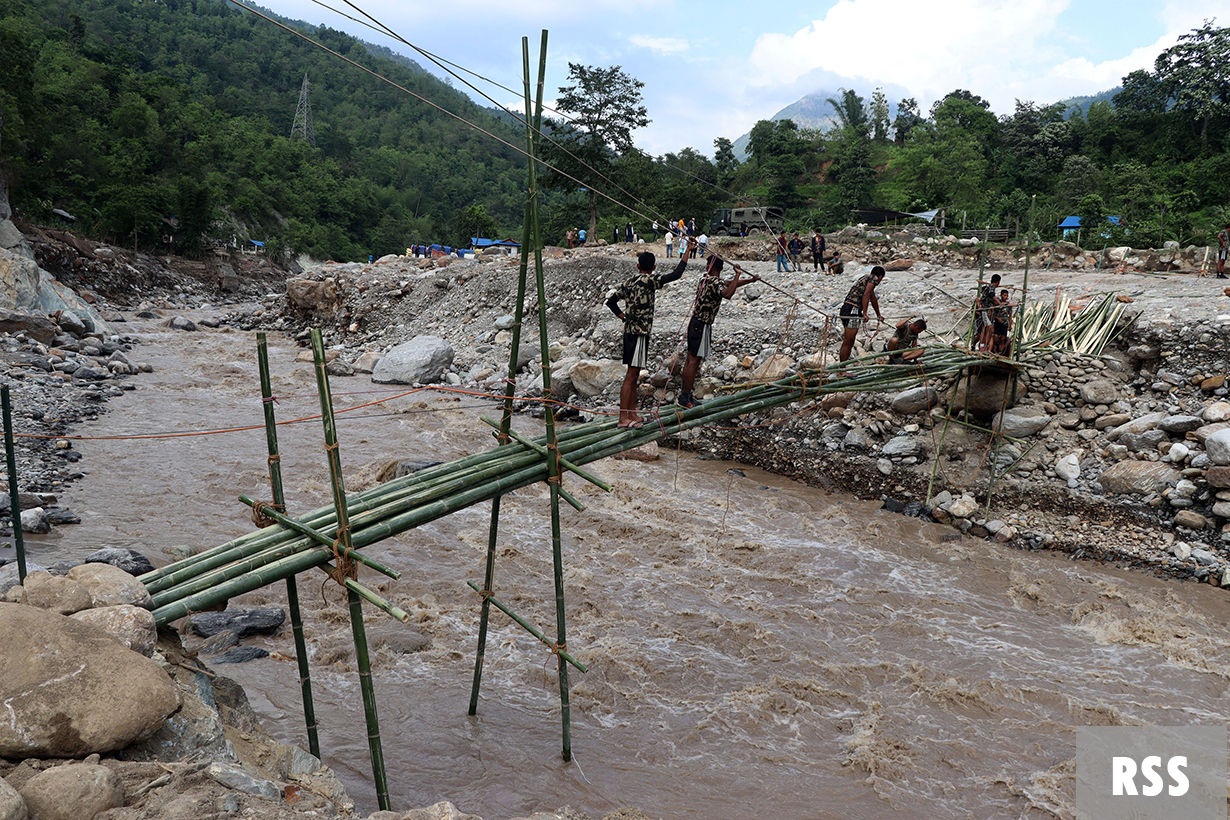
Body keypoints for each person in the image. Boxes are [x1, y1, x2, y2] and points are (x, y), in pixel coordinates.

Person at [606, 239, 696, 427]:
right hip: (639, 333)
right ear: (654, 267)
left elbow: (610, 302)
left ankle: (632, 414)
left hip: (631, 332)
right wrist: (688, 250)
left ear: (638, 266)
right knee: (631, 376)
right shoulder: (650, 281)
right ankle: (623, 418)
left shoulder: (629, 282)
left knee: (635, 373)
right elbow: (676, 274)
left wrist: (624, 317)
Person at [679, 255, 760, 408]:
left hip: (695, 323)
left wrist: (750, 280)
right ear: (721, 268)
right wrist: (737, 274)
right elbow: (728, 293)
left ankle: (685, 395)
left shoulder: (705, 279)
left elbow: (728, 284)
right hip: (701, 324)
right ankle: (685, 398)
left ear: (709, 266)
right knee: (694, 361)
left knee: (690, 359)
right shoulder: (715, 282)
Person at [839, 265, 886, 362]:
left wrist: (878, 315)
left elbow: (873, 298)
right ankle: (841, 370)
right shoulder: (873, 278)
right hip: (853, 309)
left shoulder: (866, 279)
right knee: (848, 341)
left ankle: (842, 368)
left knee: (850, 341)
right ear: (880, 277)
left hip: (847, 308)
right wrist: (864, 313)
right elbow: (867, 294)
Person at [976, 274, 1001, 350]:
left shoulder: (989, 287)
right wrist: (1000, 303)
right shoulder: (991, 287)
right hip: (985, 311)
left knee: (986, 329)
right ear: (998, 282)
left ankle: (983, 347)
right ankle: (984, 347)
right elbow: (992, 295)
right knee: (990, 329)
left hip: (987, 311)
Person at [992, 288, 1012, 355]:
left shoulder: (1008, 305)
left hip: (1005, 323)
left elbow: (1010, 315)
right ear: (1001, 295)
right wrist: (997, 318)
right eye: (1004, 295)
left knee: (1003, 338)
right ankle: (994, 349)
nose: (1006, 297)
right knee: (995, 336)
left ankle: (1000, 351)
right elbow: (992, 313)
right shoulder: (997, 303)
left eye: (1006, 295)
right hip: (997, 322)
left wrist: (1010, 325)